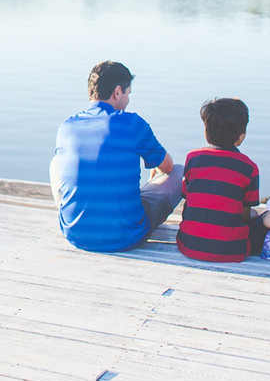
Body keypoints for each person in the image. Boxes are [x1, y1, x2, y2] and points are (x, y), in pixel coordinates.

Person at [51, 61, 184, 252]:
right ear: (117, 91)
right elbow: (168, 166)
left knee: (57, 162)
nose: (128, 100)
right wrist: (156, 165)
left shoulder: (67, 126)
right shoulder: (132, 123)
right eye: (128, 94)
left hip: (75, 233)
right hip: (128, 235)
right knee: (178, 171)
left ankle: (79, 215)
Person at [176, 97, 262, 262]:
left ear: (206, 131)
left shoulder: (193, 158)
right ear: (241, 135)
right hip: (230, 250)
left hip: (189, 243)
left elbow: (189, 199)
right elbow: (244, 216)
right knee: (261, 220)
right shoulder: (249, 167)